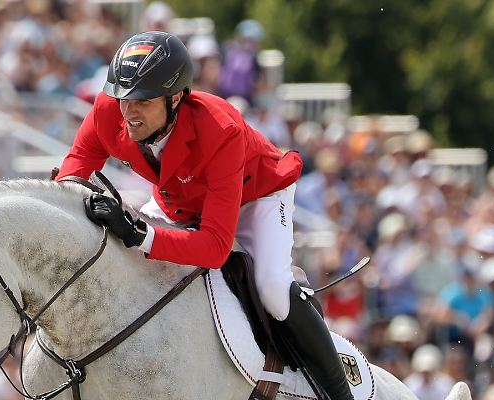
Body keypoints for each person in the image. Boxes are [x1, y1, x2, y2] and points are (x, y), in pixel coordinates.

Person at [55, 31, 353, 399]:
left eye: (143, 101)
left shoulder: (220, 129)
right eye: (123, 98)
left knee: (273, 289)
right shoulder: (109, 109)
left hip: (255, 197)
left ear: (176, 97)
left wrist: (140, 235)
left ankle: (339, 391)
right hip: (180, 200)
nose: (129, 112)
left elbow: (214, 247)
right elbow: (76, 168)